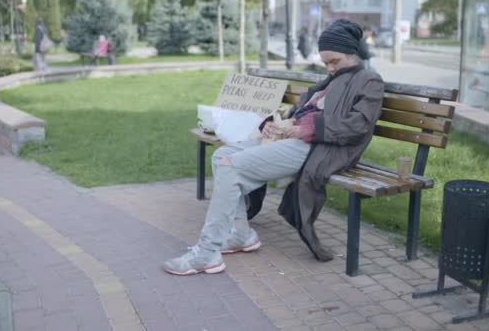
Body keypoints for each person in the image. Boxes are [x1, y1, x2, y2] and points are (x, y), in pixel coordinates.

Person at [163, 19, 385, 276]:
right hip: (295, 139)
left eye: (334, 61)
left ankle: (207, 252)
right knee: (223, 155)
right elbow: (300, 111)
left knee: (230, 167)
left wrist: (306, 128)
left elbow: (359, 125)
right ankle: (240, 235)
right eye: (326, 63)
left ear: (351, 53)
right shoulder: (331, 80)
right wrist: (273, 124)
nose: (330, 68)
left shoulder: (369, 80)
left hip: (321, 149)